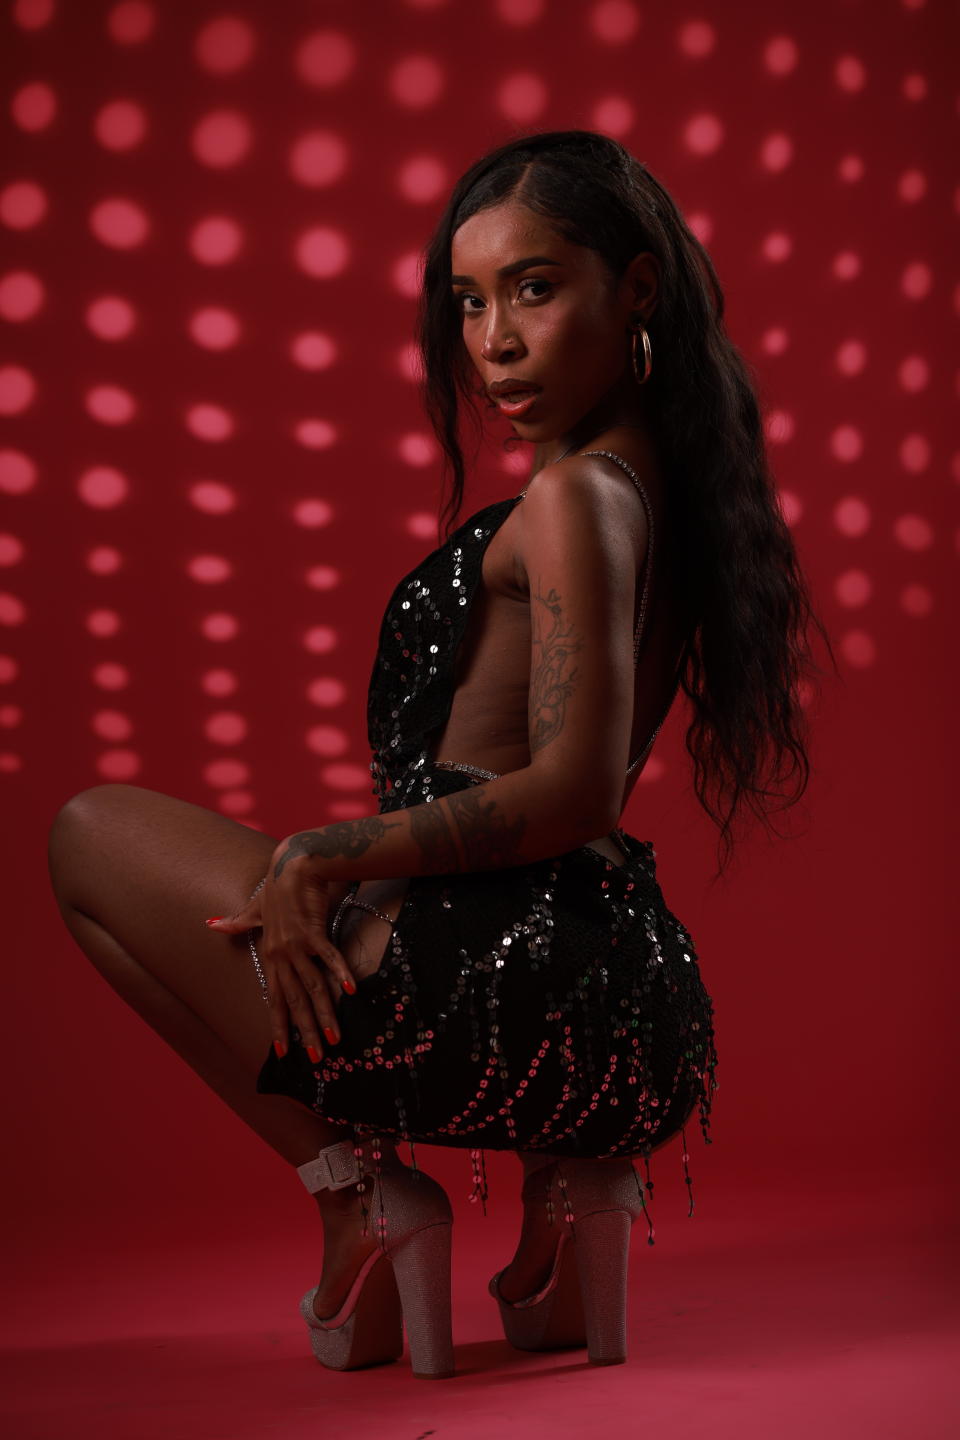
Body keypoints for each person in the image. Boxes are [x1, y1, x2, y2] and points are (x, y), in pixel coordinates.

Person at [47, 130, 831, 1379]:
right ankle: (571, 1202)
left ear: (637, 288)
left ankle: (356, 1197)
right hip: (624, 1005)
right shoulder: (675, 490)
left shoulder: (575, 497)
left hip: (474, 980)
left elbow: (574, 789)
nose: (493, 342)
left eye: (534, 288)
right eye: (468, 302)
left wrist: (324, 853)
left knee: (89, 835)